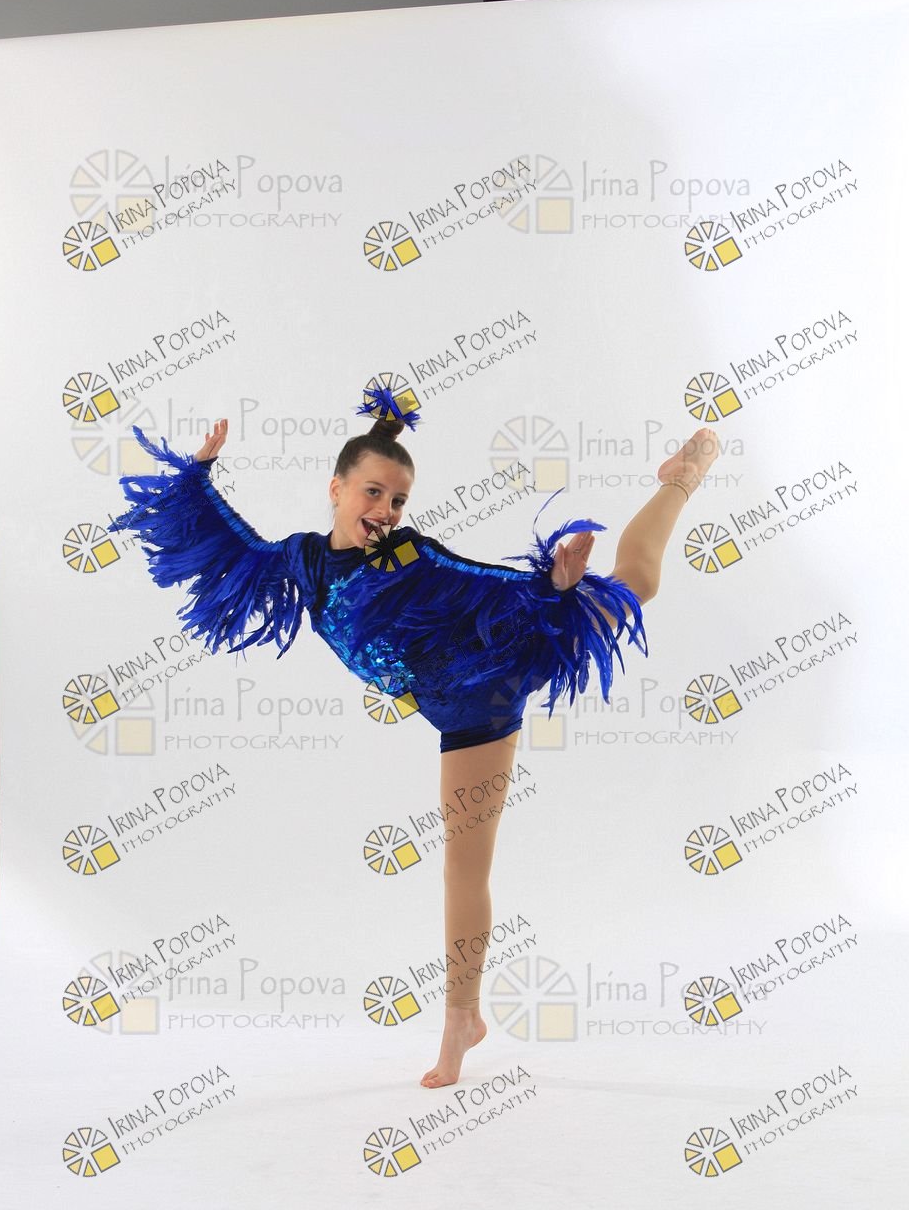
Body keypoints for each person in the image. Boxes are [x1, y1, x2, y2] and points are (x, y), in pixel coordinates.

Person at [109, 387, 719, 1088]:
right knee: (460, 868)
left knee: (636, 581)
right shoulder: (302, 560)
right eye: (373, 493)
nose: (386, 511)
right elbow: (234, 551)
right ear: (336, 488)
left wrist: (554, 584)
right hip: (450, 714)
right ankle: (469, 1015)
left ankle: (680, 478)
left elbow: (489, 581)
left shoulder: (408, 556)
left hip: (497, 680)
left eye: (398, 501)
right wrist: (197, 476)